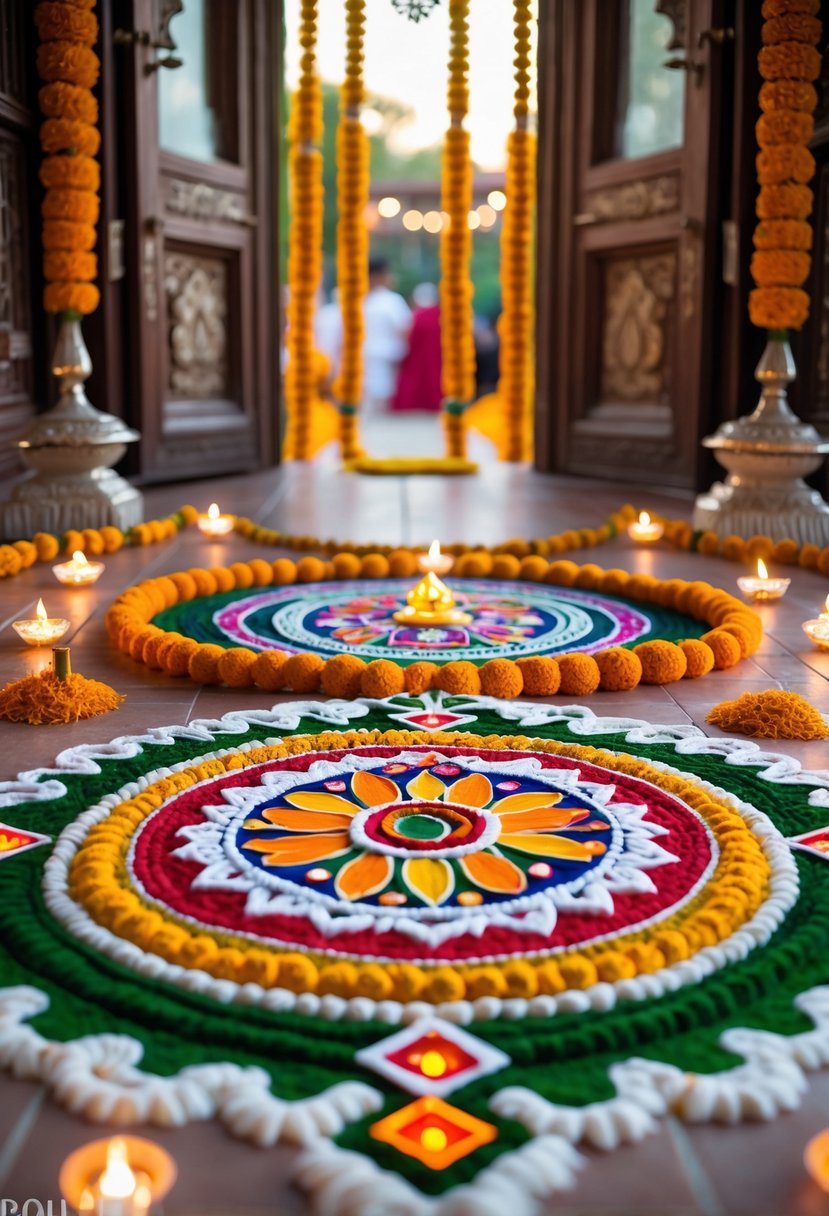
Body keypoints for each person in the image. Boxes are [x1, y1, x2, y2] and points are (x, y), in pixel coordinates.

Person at [362, 256, 411, 413]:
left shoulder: (356, 299)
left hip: (363, 358)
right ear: (379, 276)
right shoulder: (391, 300)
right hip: (387, 360)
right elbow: (405, 330)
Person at [391, 282, 442, 412]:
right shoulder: (441, 315)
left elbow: (408, 338)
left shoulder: (416, 316)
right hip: (437, 359)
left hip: (417, 359)